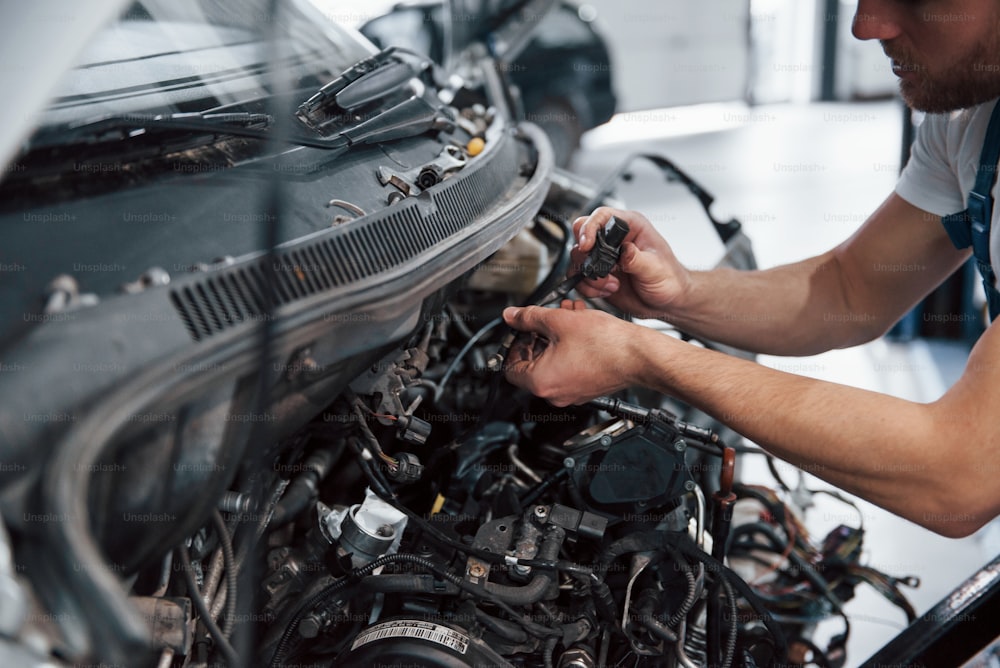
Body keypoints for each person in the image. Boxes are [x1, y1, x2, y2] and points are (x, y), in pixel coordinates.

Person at [501, 0, 1000, 538]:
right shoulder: (969, 120)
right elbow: (849, 291)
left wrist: (641, 357)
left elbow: (959, 470)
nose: (865, 27)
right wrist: (680, 294)